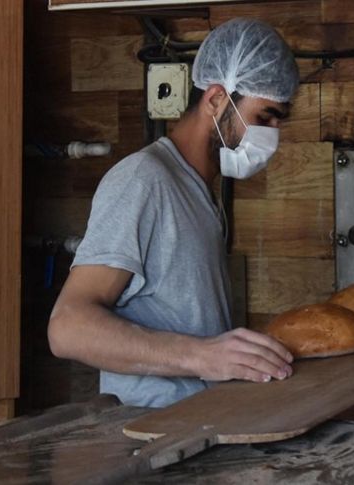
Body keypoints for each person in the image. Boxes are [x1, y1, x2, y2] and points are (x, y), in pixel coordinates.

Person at [48, 18, 299, 408]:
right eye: (264, 116)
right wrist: (203, 356)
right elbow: (68, 328)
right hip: (149, 439)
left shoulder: (197, 190)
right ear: (216, 99)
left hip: (195, 428)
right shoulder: (144, 181)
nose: (270, 134)